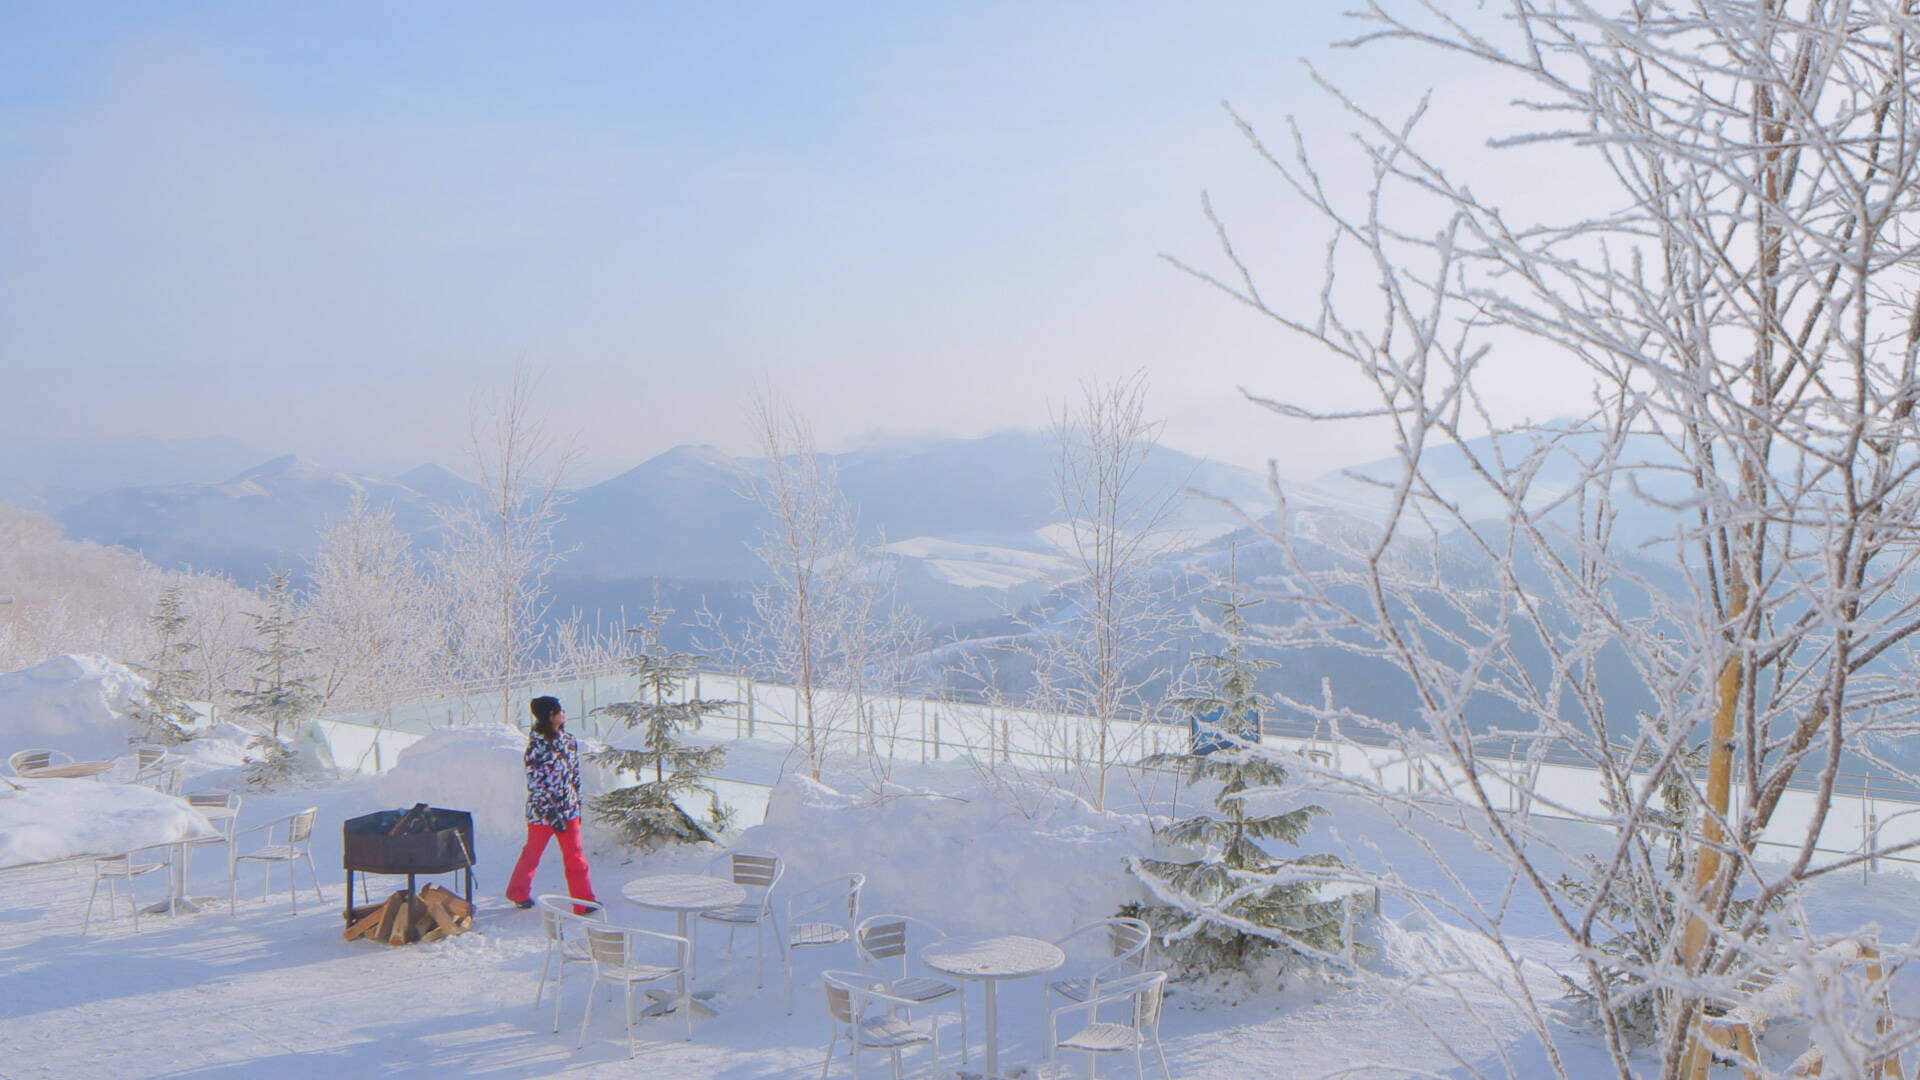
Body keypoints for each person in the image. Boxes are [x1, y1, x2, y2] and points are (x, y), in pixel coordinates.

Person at [505, 696, 598, 913]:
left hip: (569, 810)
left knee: (576, 856)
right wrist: (550, 812)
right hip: (542, 814)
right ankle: (517, 893)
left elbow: (575, 775)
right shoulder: (536, 747)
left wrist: (577, 804)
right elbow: (535, 784)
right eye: (559, 710)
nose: (563, 713)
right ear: (550, 716)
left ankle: (583, 902)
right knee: (532, 854)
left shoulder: (569, 740)